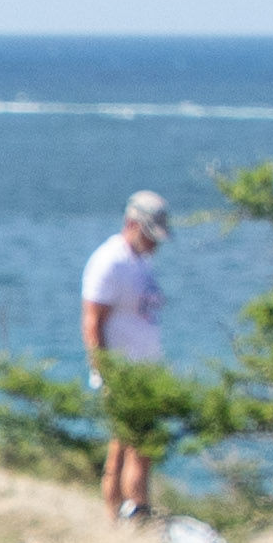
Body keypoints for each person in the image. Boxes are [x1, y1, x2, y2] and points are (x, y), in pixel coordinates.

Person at [77, 188, 172, 521]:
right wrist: (103, 371)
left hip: (144, 370)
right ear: (133, 224)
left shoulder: (140, 262)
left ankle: (133, 511)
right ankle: (125, 513)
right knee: (128, 444)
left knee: (138, 444)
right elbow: (92, 321)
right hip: (122, 371)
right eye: (150, 233)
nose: (155, 242)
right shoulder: (110, 261)